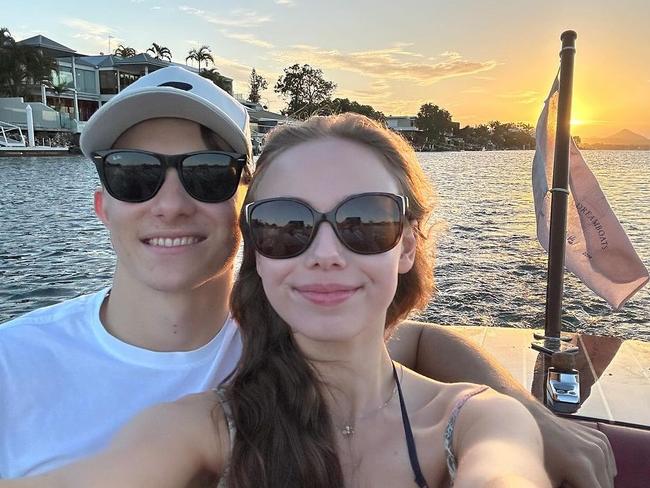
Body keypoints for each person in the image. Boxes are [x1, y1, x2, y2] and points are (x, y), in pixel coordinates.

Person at [0, 67, 615, 487]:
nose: (169, 204)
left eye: (366, 221)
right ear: (102, 203)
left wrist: (530, 419)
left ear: (238, 209)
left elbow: (418, 347)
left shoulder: (290, 338)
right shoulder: (18, 364)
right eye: (134, 174)